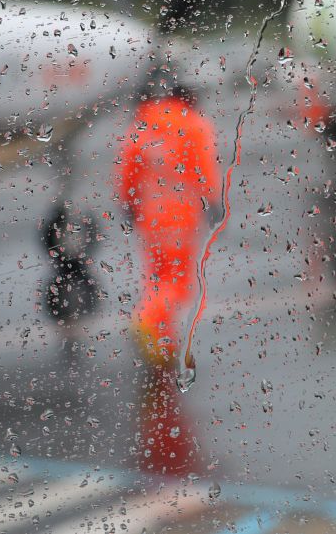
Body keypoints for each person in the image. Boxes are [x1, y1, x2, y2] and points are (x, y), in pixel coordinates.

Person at [116, 79, 219, 474]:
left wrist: (127, 199)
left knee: (155, 274)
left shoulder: (143, 121)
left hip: (149, 207)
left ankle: (161, 338)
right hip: (180, 207)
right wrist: (211, 197)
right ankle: (147, 324)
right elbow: (203, 163)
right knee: (176, 283)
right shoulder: (192, 123)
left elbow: (128, 164)